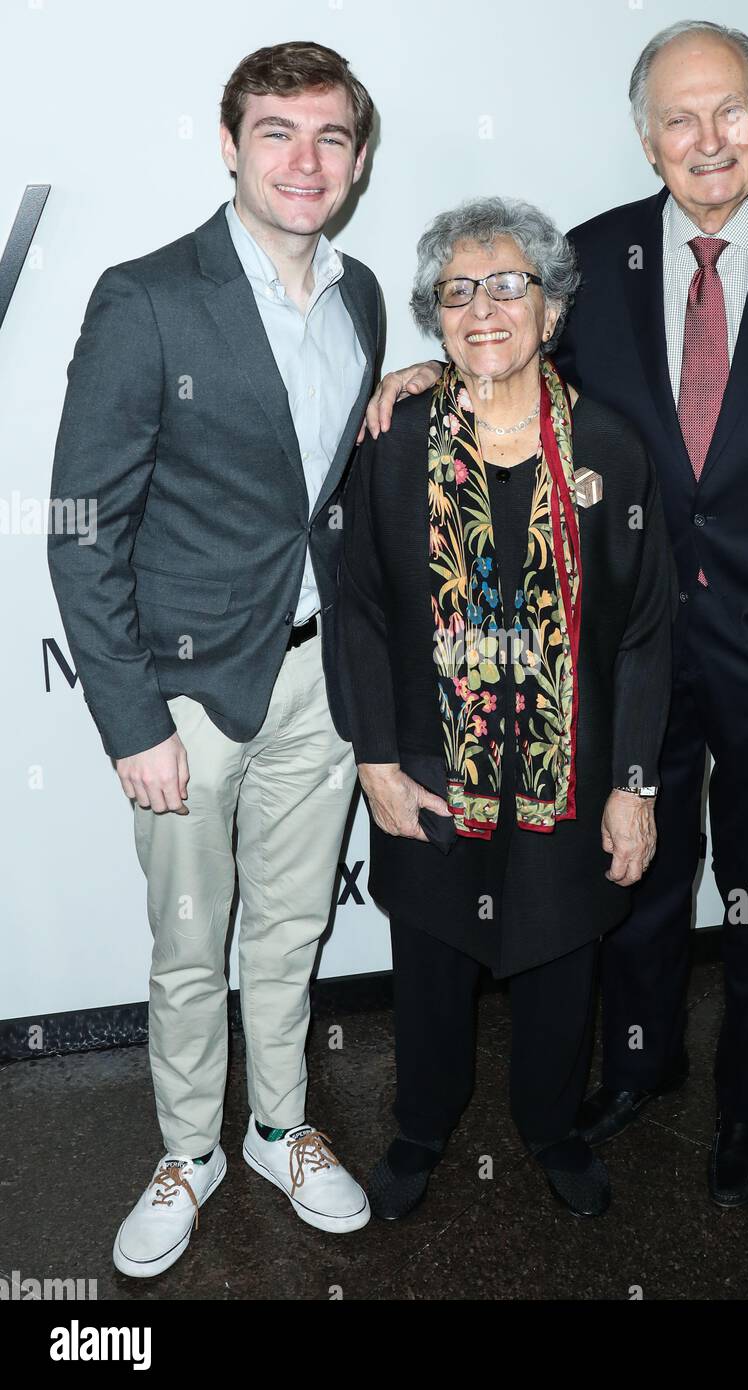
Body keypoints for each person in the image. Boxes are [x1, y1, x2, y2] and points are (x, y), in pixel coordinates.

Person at [363, 21, 748, 1208]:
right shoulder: (594, 257)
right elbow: (520, 374)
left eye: (727, 110)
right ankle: (638, 1066)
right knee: (632, 877)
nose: (706, 139)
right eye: (678, 118)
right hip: (626, 656)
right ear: (643, 135)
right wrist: (429, 373)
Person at [48, 41, 381, 1277]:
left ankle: (277, 1128)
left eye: (330, 136)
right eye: (278, 132)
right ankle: (188, 1148)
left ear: (355, 160)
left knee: (287, 931)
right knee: (192, 939)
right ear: (230, 144)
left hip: (318, 682)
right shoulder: (147, 296)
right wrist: (130, 719)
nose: (305, 160)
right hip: (187, 688)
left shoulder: (356, 298)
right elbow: (82, 527)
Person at [338, 197, 674, 1219]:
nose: (482, 308)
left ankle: (550, 1124)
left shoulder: (609, 449)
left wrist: (631, 785)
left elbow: (644, 630)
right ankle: (419, 1126)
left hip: (566, 770)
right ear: (434, 318)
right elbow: (354, 606)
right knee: (431, 954)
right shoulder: (393, 444)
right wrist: (376, 759)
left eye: (507, 284)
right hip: (431, 767)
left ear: (551, 306)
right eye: (457, 292)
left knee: (560, 947)